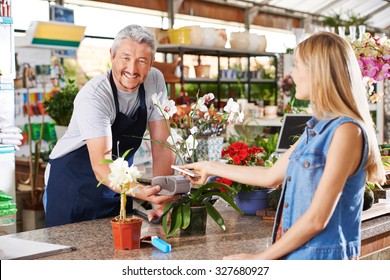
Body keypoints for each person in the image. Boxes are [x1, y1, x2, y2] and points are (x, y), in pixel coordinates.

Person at [182, 31, 386, 260]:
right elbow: (270, 176)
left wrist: (260, 259)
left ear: (318, 73)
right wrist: (210, 167)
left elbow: (318, 218)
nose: (292, 74)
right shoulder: (316, 128)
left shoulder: (347, 132)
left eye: (297, 66)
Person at [44, 25, 176, 227]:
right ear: (112, 55)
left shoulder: (154, 80)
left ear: (151, 63)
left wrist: (162, 195)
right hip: (73, 185)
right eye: (125, 58)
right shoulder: (95, 96)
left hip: (118, 187)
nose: (132, 69)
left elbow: (162, 144)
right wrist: (141, 192)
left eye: (141, 61)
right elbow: (101, 165)